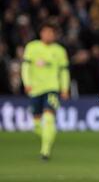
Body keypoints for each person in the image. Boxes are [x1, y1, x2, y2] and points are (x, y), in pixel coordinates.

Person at [21, 21, 70, 160]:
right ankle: (48, 138)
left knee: (49, 118)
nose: (48, 35)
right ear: (41, 33)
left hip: (52, 89)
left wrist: (65, 88)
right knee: (36, 124)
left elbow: (64, 72)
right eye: (46, 32)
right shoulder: (32, 47)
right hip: (35, 89)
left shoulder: (60, 51)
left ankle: (45, 151)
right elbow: (25, 67)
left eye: (51, 32)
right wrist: (27, 83)